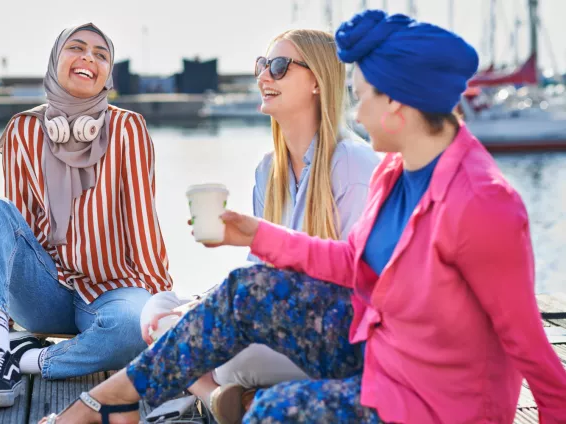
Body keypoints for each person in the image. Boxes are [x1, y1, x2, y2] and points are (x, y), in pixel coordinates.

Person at [41, 10, 566, 424]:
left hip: (443, 405)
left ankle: (114, 406)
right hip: (387, 359)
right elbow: (354, 263)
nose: (355, 113)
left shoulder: (484, 203)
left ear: (401, 105)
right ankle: (112, 404)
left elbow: (527, 342)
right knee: (245, 290)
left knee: (272, 411)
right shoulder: (397, 176)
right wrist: (256, 234)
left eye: (363, 99)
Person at [139, 28, 379, 423]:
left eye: (280, 66)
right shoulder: (269, 170)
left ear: (318, 81)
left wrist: (211, 320)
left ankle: (226, 393)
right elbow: (257, 271)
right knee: (157, 309)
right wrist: (204, 305)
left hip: (337, 337)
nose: (264, 77)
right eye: (262, 66)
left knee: (226, 351)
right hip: (272, 320)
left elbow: (355, 280)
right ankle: (223, 399)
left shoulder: (353, 163)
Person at [0, 23, 172, 410]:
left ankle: (24, 360)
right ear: (55, 61)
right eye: (76, 48)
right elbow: (19, 231)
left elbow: (143, 222)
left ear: (107, 74)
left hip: (115, 288)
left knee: (133, 327)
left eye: (101, 54)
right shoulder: (22, 130)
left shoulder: (129, 129)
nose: (88, 59)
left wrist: (160, 305)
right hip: (47, 289)